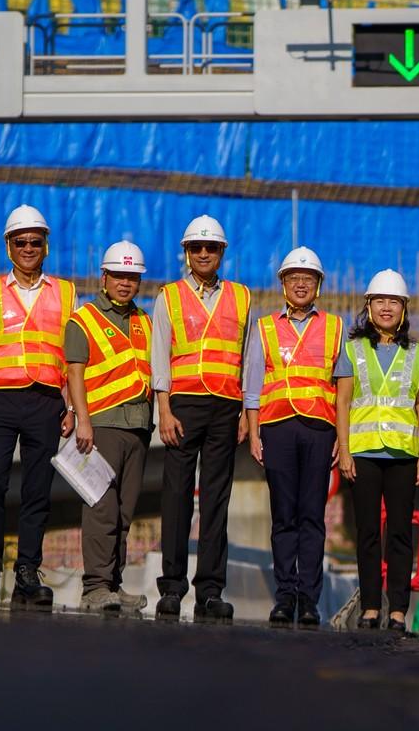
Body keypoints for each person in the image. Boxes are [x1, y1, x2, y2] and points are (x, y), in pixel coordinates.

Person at [0, 205, 80, 609]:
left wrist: (70, 407)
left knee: (37, 489)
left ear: (45, 246)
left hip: (45, 401)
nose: (28, 248)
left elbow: (71, 357)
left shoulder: (66, 292)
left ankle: (28, 571)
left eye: (34, 241)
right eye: (20, 242)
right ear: (9, 246)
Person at [150, 214, 251, 622]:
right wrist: (163, 409)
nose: (204, 254)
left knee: (215, 500)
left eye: (211, 248)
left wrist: (247, 412)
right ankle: (172, 588)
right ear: (187, 253)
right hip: (184, 407)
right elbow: (160, 355)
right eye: (197, 248)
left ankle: (210, 590)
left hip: (226, 406)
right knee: (176, 497)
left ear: (222, 252)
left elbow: (247, 360)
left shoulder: (241, 297)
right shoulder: (169, 297)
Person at [247, 247, 343, 627]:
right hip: (278, 427)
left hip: (319, 429)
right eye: (294, 278)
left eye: (308, 278)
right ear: (283, 284)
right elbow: (253, 384)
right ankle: (285, 595)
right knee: (284, 516)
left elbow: (344, 389)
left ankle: (309, 600)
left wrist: (342, 438)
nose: (301, 284)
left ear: (318, 285)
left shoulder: (335, 328)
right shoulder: (265, 328)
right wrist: (253, 432)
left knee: (312, 517)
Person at [335, 269, 419, 635]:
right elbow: (342, 402)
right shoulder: (352, 350)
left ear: (403, 308)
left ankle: (398, 611)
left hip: (403, 455)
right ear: (369, 306)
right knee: (367, 533)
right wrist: (345, 451)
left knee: (400, 534)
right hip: (363, 453)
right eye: (380, 301)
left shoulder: (418, 354)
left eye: (393, 301)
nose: (386, 307)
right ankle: (371, 606)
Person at [68, 241, 155, 615]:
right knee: (100, 508)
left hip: (138, 427)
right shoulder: (84, 319)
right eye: (118, 275)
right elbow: (74, 373)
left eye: (132, 277)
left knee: (123, 512)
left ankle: (113, 584)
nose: (125, 283)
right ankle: (95, 587)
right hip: (101, 425)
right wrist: (82, 421)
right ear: (104, 277)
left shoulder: (144, 321)